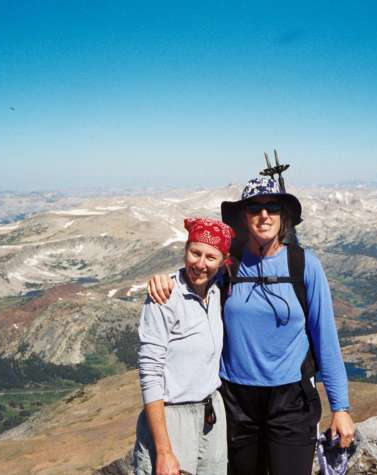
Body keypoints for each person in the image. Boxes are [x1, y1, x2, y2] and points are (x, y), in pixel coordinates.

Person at [148, 177, 355, 475]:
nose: (264, 215)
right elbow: (196, 274)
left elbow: (325, 339)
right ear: (244, 217)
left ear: (283, 215)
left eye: (272, 207)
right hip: (235, 402)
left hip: (292, 401)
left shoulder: (304, 265)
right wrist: (164, 280)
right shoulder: (230, 265)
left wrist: (341, 408)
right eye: (254, 208)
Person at [134, 217, 235, 475]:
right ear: (185, 251)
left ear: (223, 262)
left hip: (211, 413)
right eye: (195, 253)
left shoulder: (216, 290)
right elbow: (150, 373)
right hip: (172, 418)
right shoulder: (165, 296)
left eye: (210, 257)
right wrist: (164, 451)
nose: (200, 264)